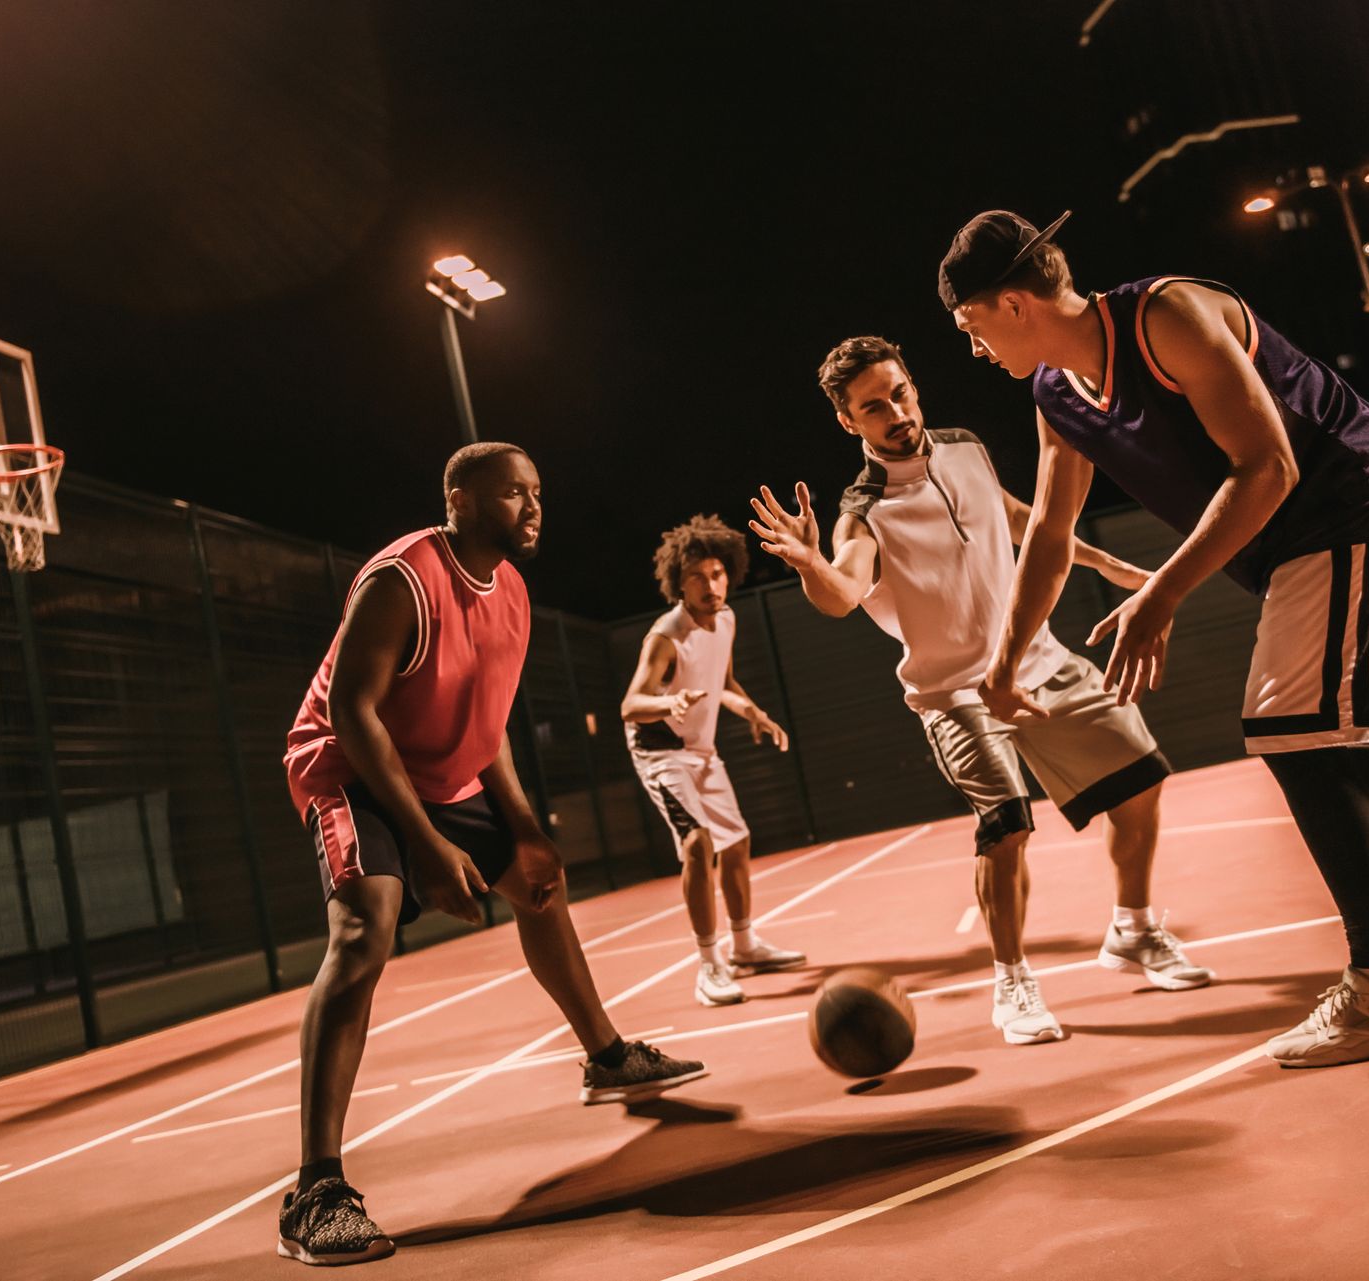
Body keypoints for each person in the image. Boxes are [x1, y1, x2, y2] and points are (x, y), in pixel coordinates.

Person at [939, 209, 1369, 1068]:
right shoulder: (1056, 393)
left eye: (970, 324)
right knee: (1319, 741)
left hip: (1353, 499)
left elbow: (1269, 465)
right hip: (1296, 542)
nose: (973, 347)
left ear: (1013, 302)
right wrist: (1008, 659)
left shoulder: (1164, 316)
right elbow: (1051, 535)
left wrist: (1160, 595)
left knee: (1292, 729)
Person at [278, 442, 705, 1265]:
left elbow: (488, 718)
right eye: (514, 493)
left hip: (445, 773)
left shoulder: (511, 590)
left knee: (541, 885)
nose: (534, 506)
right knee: (364, 931)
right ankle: (316, 1190)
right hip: (349, 767)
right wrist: (430, 845)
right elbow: (355, 711)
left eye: (538, 491)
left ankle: (608, 1058)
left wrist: (524, 825)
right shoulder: (402, 577)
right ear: (461, 502)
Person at [748, 336, 1213, 1047]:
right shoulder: (862, 509)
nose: (896, 412)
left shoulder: (963, 446)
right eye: (873, 407)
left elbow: (1023, 518)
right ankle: (1013, 979)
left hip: (1038, 660)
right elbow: (843, 592)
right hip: (953, 692)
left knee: (1143, 778)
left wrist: (1110, 563)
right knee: (1007, 825)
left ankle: (1135, 927)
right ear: (849, 422)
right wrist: (811, 561)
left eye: (899, 392)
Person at [620, 515, 806, 1007]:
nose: (711, 584)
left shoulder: (726, 619)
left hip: (701, 751)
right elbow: (631, 703)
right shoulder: (666, 635)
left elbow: (723, 680)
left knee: (738, 843)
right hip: (660, 751)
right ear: (678, 581)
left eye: (718, 573)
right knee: (699, 844)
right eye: (698, 576)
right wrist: (670, 703)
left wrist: (753, 711)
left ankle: (744, 946)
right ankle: (709, 965)